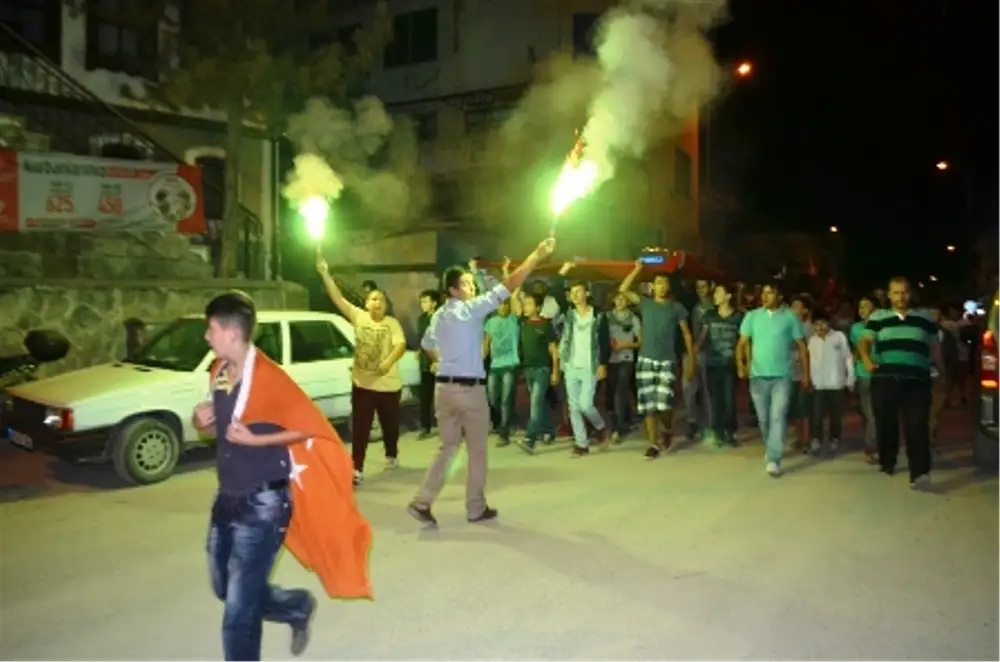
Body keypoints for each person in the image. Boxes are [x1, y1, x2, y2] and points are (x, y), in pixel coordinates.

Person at [193, 291, 372, 662]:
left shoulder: (270, 378)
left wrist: (257, 439)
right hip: (228, 495)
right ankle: (295, 606)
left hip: (265, 502)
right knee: (225, 587)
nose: (206, 337)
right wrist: (202, 421)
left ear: (231, 332)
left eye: (211, 329)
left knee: (239, 614)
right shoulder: (218, 371)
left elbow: (309, 427)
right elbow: (219, 428)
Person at [408, 237, 556, 526]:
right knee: (476, 450)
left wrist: (440, 361)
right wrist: (536, 255)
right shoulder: (471, 308)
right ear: (453, 290)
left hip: (443, 389)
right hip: (469, 390)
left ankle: (422, 501)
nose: (472, 287)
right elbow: (510, 284)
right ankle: (475, 507)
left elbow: (427, 345)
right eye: (466, 283)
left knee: (447, 448)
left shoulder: (437, 316)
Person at [318, 259, 407, 486]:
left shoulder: (392, 324)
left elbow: (400, 345)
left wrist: (387, 362)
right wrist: (325, 273)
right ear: (367, 303)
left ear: (386, 306)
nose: (378, 303)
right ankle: (356, 468)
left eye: (382, 300)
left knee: (390, 426)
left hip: (388, 386)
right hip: (363, 384)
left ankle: (391, 453)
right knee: (361, 428)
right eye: (374, 299)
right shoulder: (359, 316)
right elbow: (338, 298)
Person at [858, 277, 944, 490]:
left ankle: (920, 472)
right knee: (886, 423)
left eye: (904, 292)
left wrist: (942, 372)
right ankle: (888, 460)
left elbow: (934, 347)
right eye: (896, 292)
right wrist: (866, 359)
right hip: (886, 379)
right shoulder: (878, 317)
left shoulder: (924, 318)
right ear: (889, 295)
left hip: (917, 381)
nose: (901, 297)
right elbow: (865, 340)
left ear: (910, 294)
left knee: (917, 425)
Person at [619, 261, 696, 460]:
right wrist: (637, 269)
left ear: (668, 286)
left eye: (664, 283)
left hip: (667, 361)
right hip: (646, 359)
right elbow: (623, 289)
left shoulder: (676, 307)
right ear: (652, 286)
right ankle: (653, 443)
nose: (661, 286)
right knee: (648, 406)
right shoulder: (645, 303)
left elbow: (686, 333)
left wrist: (691, 359)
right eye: (658, 283)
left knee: (664, 404)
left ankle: (667, 428)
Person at [736, 281, 809, 477]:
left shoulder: (790, 317)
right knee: (763, 418)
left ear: (779, 296)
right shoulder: (752, 316)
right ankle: (771, 446)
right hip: (758, 376)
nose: (765, 296)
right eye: (764, 293)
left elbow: (801, 346)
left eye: (770, 293)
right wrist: (741, 365)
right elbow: (742, 343)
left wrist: (806, 374)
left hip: (782, 376)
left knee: (778, 415)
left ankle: (774, 458)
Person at [557, 264, 611, 457]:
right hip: (571, 365)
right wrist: (564, 271)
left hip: (590, 365)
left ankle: (600, 426)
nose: (575, 295)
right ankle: (582, 444)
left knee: (586, 405)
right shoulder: (569, 314)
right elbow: (556, 290)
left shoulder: (598, 315)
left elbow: (604, 341)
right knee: (574, 407)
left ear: (587, 293)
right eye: (572, 292)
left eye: (579, 291)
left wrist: (603, 364)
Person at [697, 283, 743, 447]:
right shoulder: (709, 315)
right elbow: (702, 338)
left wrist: (743, 362)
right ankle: (718, 432)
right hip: (712, 364)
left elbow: (743, 341)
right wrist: (693, 354)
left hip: (730, 364)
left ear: (728, 296)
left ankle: (730, 432)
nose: (715, 295)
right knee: (715, 400)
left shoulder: (738, 317)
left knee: (729, 400)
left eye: (718, 292)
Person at [514, 291, 560, 453]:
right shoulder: (523, 323)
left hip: (542, 369)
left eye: (529, 304)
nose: (526, 307)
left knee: (535, 404)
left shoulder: (545, 325)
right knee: (541, 403)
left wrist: (555, 371)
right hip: (528, 369)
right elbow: (514, 299)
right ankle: (549, 431)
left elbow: (553, 349)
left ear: (538, 307)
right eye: (525, 304)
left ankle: (530, 439)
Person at [807, 310, 854, 456]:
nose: (820, 327)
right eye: (816, 324)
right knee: (817, 415)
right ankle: (816, 440)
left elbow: (848, 358)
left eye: (823, 323)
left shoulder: (839, 337)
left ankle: (835, 439)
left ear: (829, 323)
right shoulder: (812, 341)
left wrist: (850, 378)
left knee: (836, 415)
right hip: (819, 384)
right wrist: (809, 379)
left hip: (837, 383)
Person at [484, 296, 521, 446]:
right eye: (500, 305)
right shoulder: (490, 322)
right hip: (495, 365)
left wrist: (513, 294)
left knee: (506, 399)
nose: (504, 307)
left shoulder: (514, 319)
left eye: (506, 304)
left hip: (510, 365)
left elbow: (517, 305)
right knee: (493, 398)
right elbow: (486, 343)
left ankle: (504, 434)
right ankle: (506, 423)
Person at [607, 291, 642, 442]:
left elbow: (641, 341)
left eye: (623, 299)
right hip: (609, 359)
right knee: (612, 393)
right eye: (617, 298)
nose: (620, 301)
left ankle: (617, 429)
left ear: (628, 302)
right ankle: (625, 420)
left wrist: (626, 344)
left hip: (626, 359)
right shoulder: (607, 317)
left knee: (620, 391)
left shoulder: (633, 318)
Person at [684, 278, 714, 440]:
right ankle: (694, 421)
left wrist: (693, 351)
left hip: (706, 352)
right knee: (691, 388)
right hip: (696, 351)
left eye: (703, 286)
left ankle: (706, 423)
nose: (701, 290)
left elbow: (705, 331)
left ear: (710, 287)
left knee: (705, 390)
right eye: (698, 287)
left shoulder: (710, 307)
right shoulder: (696, 307)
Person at [849, 296, 878, 462]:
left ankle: (874, 442)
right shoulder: (856, 328)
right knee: (870, 414)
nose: (862, 310)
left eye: (866, 306)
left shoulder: (883, 326)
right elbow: (856, 350)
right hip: (864, 374)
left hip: (882, 374)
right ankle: (871, 447)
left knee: (876, 413)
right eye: (860, 306)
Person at [417, 289, 440, 440]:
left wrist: (437, 361)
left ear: (434, 303)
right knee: (425, 396)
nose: (423, 304)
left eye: (426, 301)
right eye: (421, 302)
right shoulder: (421, 319)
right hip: (425, 363)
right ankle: (425, 427)